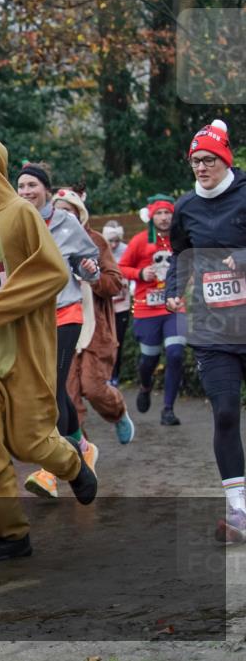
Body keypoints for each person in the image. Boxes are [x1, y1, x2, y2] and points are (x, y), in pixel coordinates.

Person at [0, 115, 97, 563]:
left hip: (23, 350)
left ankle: (72, 464)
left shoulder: (20, 214)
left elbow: (51, 271)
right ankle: (11, 534)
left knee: (28, 441)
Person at [165, 119, 246, 543]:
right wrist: (173, 291)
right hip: (213, 327)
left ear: (225, 158)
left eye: (208, 159)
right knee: (227, 412)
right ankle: (239, 511)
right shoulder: (186, 207)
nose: (200, 167)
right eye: (195, 161)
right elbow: (181, 252)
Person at [15, 164, 102, 499]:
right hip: (30, 319)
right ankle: (82, 448)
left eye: (32, 185)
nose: (25, 192)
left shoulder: (65, 222)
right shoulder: (15, 221)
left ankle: (54, 467)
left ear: (46, 189)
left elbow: (88, 262)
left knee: (51, 389)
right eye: (21, 186)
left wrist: (87, 267)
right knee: (48, 389)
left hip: (65, 314)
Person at [55, 189, 136, 446]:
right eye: (58, 211)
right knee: (68, 395)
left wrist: (93, 277)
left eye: (68, 210)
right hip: (62, 324)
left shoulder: (96, 241)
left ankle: (118, 412)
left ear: (80, 213)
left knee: (93, 388)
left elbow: (115, 282)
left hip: (94, 328)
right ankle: (82, 451)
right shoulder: (46, 240)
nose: (63, 216)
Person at [118, 194, 187, 426]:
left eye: (168, 212)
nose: (165, 217)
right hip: (147, 310)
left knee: (176, 354)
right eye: (159, 213)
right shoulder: (139, 241)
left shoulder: (181, 240)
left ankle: (168, 409)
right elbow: (121, 268)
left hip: (174, 307)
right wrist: (139, 274)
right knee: (149, 359)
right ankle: (145, 385)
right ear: (151, 216)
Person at [102, 220, 131, 386]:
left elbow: (131, 269)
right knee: (105, 341)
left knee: (117, 341)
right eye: (110, 241)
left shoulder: (126, 250)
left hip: (122, 304)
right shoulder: (98, 249)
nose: (113, 245)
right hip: (104, 304)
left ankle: (114, 375)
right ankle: (103, 374)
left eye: (116, 241)